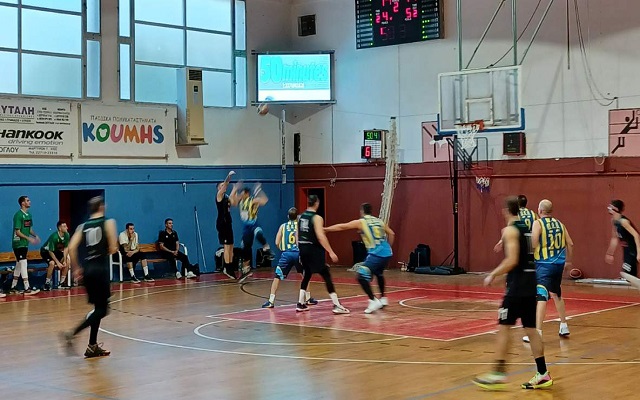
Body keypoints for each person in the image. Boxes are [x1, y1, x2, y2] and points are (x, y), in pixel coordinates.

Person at [473, 196, 552, 390]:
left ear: (505, 211)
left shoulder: (509, 230)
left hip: (517, 289)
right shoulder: (527, 229)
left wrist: (493, 274)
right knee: (531, 330)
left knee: (504, 327)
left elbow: (513, 260)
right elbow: (523, 260)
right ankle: (543, 373)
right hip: (530, 283)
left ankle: (497, 373)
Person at [60, 196, 118, 358]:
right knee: (103, 310)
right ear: (101, 207)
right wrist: (107, 248)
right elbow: (113, 248)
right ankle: (72, 333)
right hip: (100, 269)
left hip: (88, 269)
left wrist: (76, 269)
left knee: (98, 308)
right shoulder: (108, 222)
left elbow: (71, 247)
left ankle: (92, 346)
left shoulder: (82, 226)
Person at [325, 203, 395, 314]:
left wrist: (326, 229)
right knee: (378, 273)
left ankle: (373, 300)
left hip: (376, 254)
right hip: (387, 253)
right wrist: (388, 247)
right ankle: (383, 298)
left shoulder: (361, 222)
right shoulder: (379, 221)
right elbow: (392, 233)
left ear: (362, 211)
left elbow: (343, 226)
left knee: (361, 276)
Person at [523, 199, 573, 343]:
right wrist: (569, 261)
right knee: (556, 293)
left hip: (544, 264)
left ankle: (537, 332)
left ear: (539, 211)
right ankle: (563, 325)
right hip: (558, 264)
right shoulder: (560, 224)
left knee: (541, 296)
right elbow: (570, 243)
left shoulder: (538, 223)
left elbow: (533, 244)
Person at [297, 195, 349, 314]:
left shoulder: (300, 217)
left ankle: (300, 303)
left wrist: (300, 248)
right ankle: (336, 305)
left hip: (302, 248)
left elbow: (297, 235)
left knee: (307, 274)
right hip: (313, 249)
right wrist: (330, 251)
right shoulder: (317, 218)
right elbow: (320, 236)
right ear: (317, 203)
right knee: (326, 274)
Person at [262, 207, 317, 308]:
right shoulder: (299, 226)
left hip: (286, 254)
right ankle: (308, 298)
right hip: (298, 253)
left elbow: (276, 242)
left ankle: (271, 301)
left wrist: (283, 249)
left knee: (277, 277)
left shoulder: (283, 226)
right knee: (305, 276)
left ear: (288, 216)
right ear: (297, 217)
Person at [233, 182, 275, 282]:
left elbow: (264, 201)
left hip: (254, 224)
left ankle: (266, 248)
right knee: (245, 248)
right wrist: (235, 189)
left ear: (247, 194)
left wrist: (258, 190)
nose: (241, 195)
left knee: (258, 233)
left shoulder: (252, 200)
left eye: (242, 193)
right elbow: (233, 202)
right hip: (246, 228)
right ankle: (246, 269)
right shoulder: (240, 202)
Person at [605, 199, 640, 291]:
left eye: (610, 207)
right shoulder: (614, 221)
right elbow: (614, 238)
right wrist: (610, 253)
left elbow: (636, 235)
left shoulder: (623, 222)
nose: (608, 208)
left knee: (628, 274)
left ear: (616, 209)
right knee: (629, 275)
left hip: (634, 249)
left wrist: (638, 253)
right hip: (627, 251)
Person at [9, 195, 40, 295]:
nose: (29, 202)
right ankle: (27, 288)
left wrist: (35, 236)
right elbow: (17, 232)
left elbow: (29, 229)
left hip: (24, 243)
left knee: (19, 264)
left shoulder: (29, 215)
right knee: (23, 263)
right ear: (23, 203)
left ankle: (13, 286)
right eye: (27, 200)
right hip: (18, 243)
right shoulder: (18, 215)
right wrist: (28, 238)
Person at [216, 170, 237, 279]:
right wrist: (229, 177)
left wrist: (235, 189)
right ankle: (227, 267)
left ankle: (230, 266)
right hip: (222, 223)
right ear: (219, 188)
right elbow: (225, 185)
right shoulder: (219, 196)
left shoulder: (226, 197)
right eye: (221, 186)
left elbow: (234, 203)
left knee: (231, 245)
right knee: (226, 246)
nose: (223, 187)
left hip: (228, 222)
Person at [42, 221, 71, 291]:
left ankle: (62, 283)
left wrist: (64, 260)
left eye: (66, 226)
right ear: (60, 228)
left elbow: (66, 248)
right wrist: (57, 262)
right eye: (64, 226)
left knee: (67, 261)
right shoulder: (54, 237)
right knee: (52, 263)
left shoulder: (67, 235)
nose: (67, 228)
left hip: (56, 251)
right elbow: (50, 251)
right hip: (46, 251)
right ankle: (47, 283)